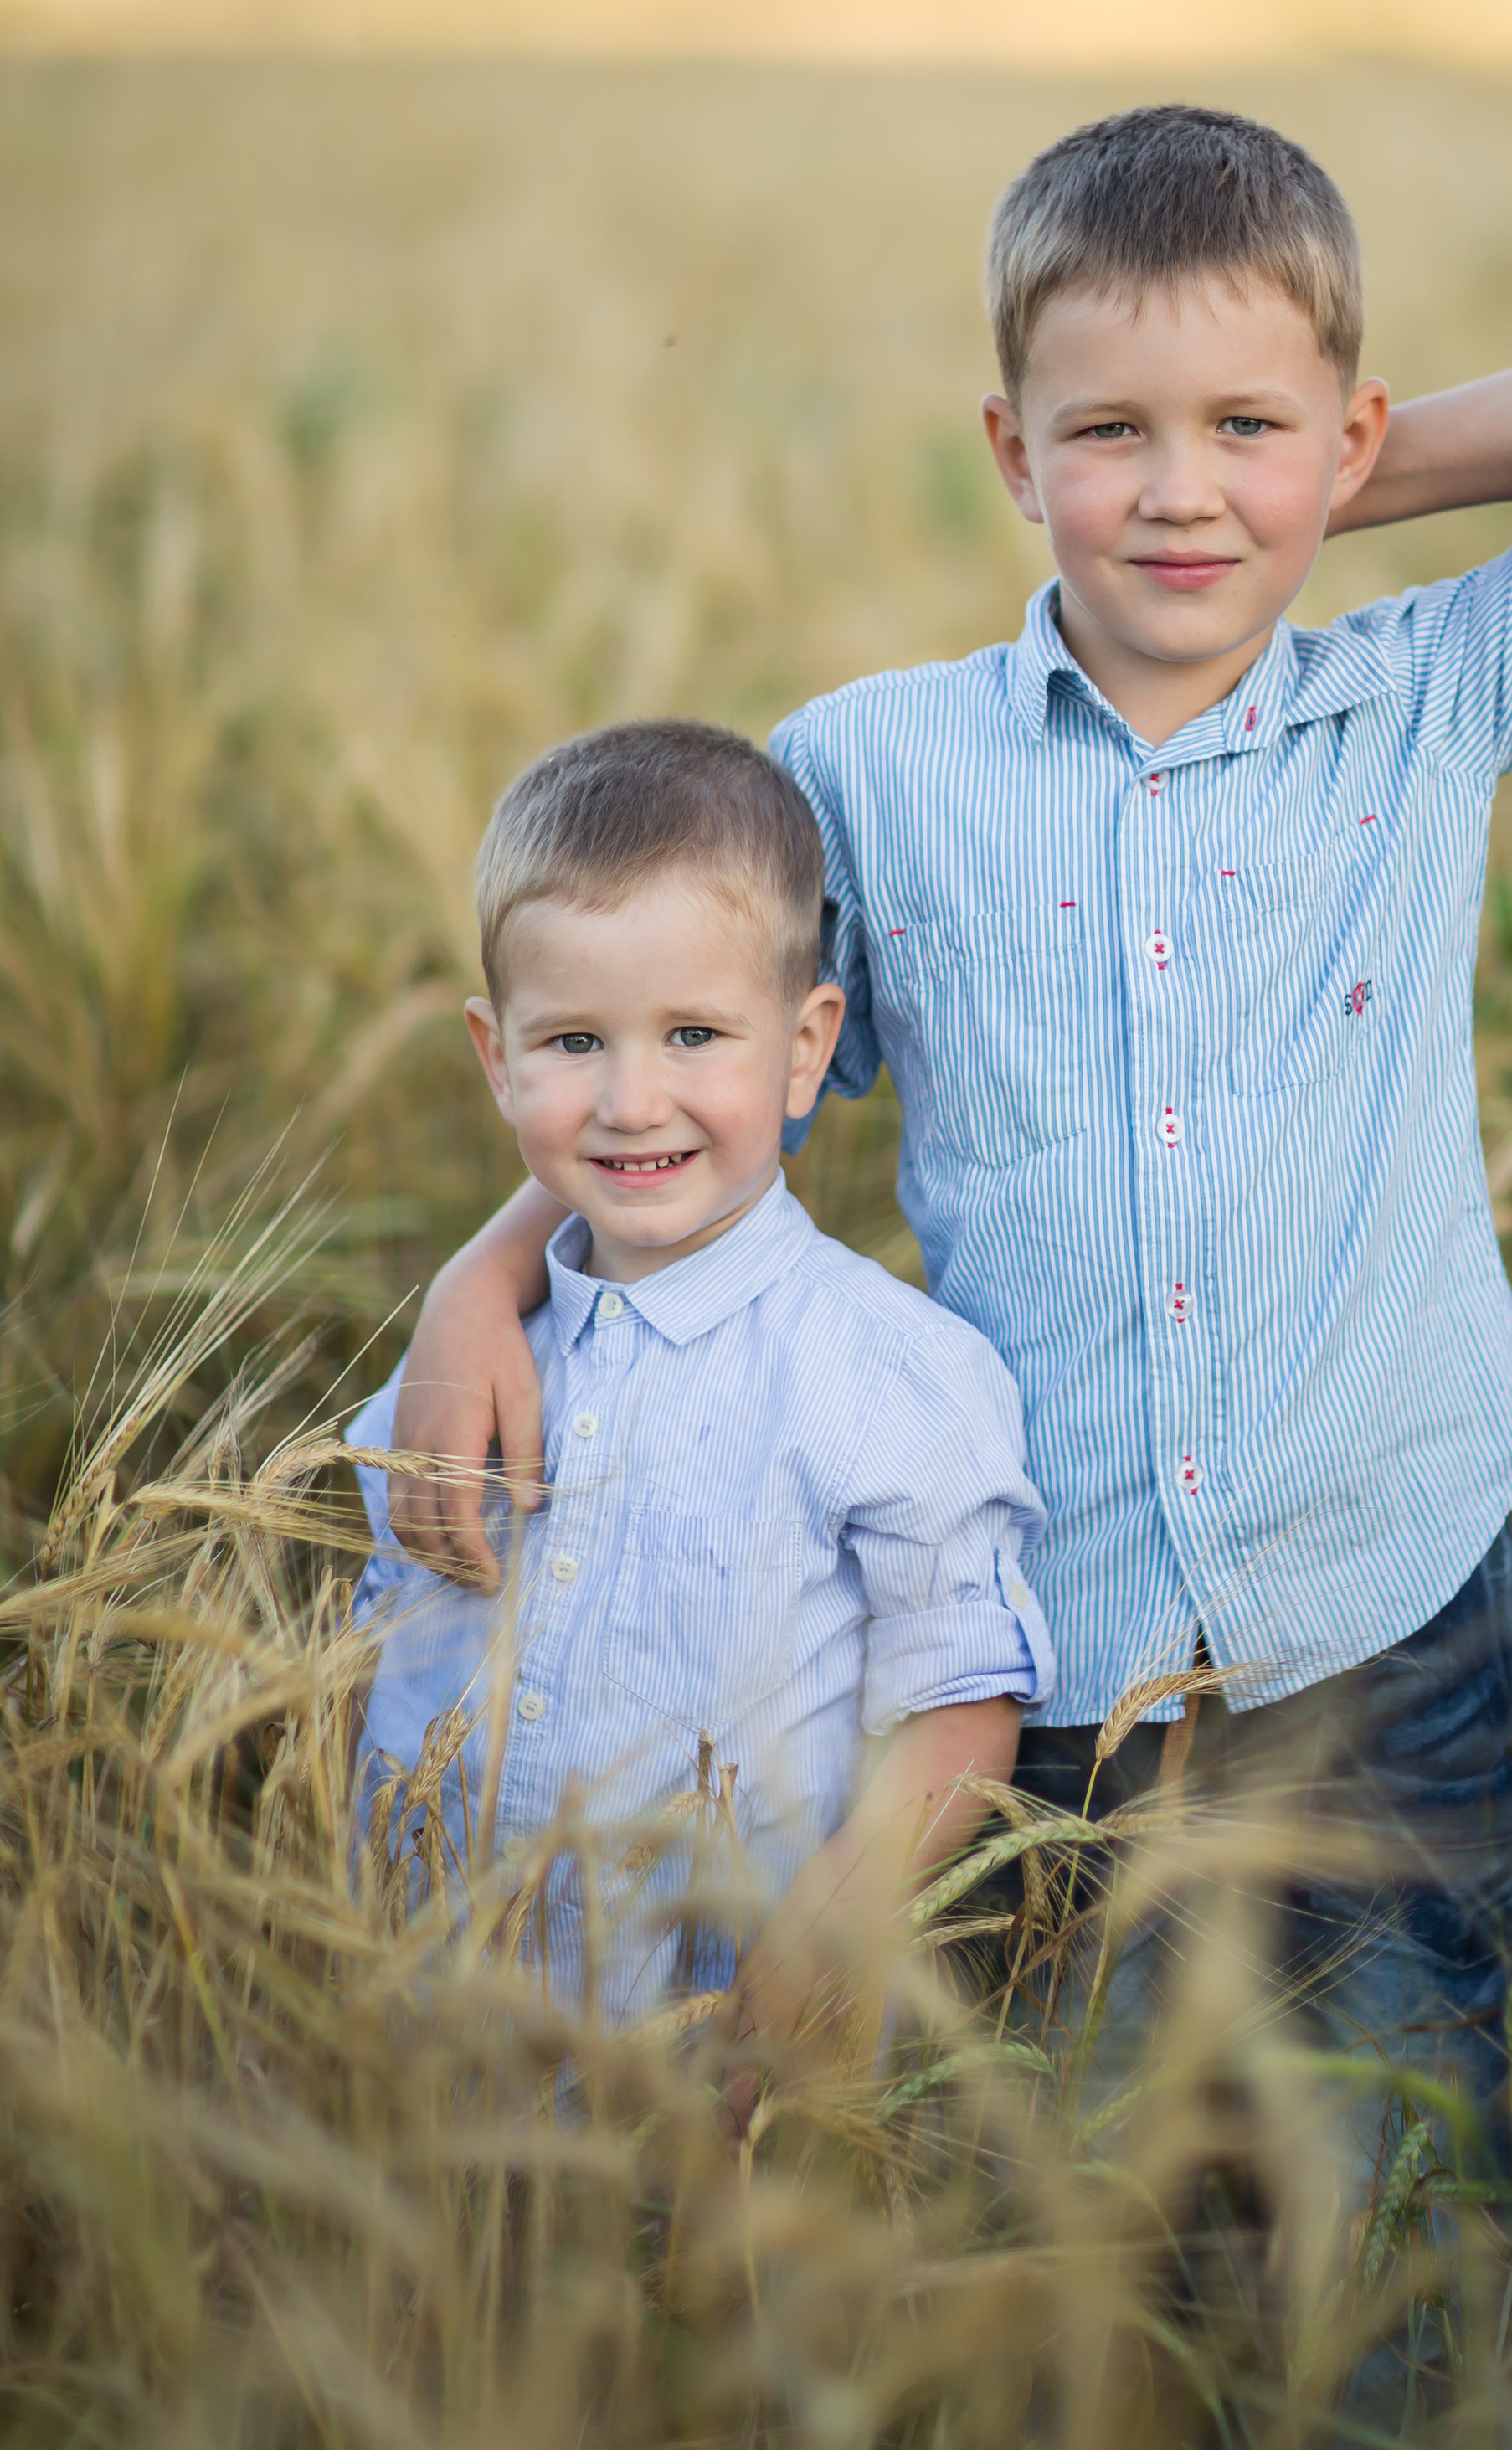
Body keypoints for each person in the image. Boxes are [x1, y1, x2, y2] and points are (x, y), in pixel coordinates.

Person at [379, 103, 1512, 2180]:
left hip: (1380, 1619)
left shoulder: (1431, 698)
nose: (1175, 493)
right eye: (1106, 435)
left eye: (1242, 426)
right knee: (1083, 2224)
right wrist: (486, 1265)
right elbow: (701, 1065)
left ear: (1346, 440)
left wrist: (1316, 480)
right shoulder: (869, 766)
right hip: (1047, 1655)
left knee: (1396, 2215)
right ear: (1008, 454)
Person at [347, 716, 1053, 2049]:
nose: (630, 1099)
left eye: (692, 1035)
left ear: (804, 1046)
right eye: (573, 1044)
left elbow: (959, 1701)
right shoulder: (469, 1368)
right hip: (428, 2069)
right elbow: (377, 1652)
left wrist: (835, 1939)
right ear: (496, 1058)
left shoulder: (889, 1378)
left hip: (720, 2071)